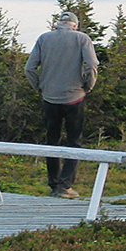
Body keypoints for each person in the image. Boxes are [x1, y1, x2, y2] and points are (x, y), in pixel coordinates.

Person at [24, 10, 99, 198]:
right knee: (74, 142)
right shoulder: (82, 39)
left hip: (49, 98)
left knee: (52, 141)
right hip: (75, 98)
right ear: (75, 25)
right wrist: (87, 86)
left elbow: (29, 68)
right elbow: (91, 66)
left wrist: (40, 87)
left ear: (58, 23)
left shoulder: (44, 38)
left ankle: (53, 184)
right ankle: (65, 186)